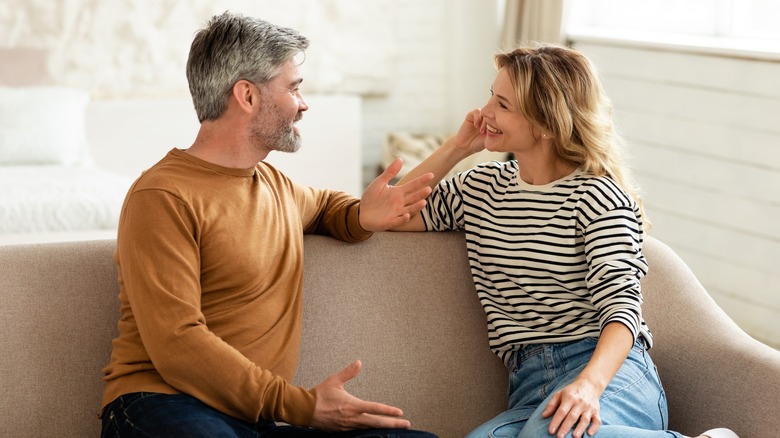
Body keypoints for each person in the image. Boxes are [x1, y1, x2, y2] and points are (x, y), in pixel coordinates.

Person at [100, 11, 438, 438]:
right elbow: (177, 343)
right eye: (293, 88)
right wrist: (303, 406)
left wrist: (360, 215)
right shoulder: (162, 196)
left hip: (251, 419)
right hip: (158, 405)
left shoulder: (275, 186)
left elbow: (325, 207)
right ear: (247, 96)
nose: (304, 104)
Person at [391, 44, 739, 438]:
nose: (484, 112)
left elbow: (622, 311)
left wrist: (588, 386)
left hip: (609, 376)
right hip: (529, 385)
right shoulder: (481, 188)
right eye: (490, 96)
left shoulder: (597, 197)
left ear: (545, 122)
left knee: (546, 435)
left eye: (502, 105)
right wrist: (457, 147)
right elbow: (391, 212)